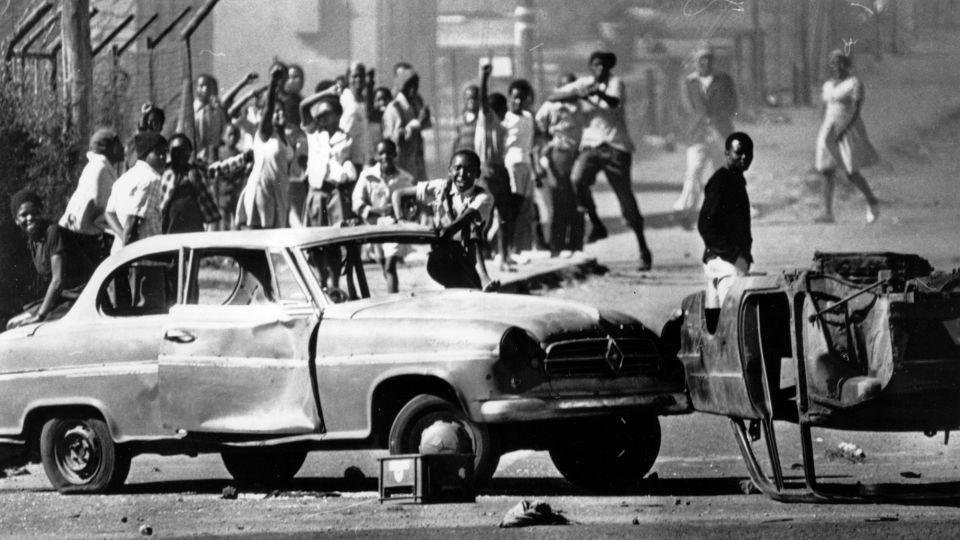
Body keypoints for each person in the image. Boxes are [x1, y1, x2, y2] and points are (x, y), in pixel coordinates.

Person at [548, 51, 653, 270]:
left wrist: (593, 94)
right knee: (577, 180)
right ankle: (596, 224)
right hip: (592, 145)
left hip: (616, 146)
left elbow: (613, 102)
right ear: (590, 67)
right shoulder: (584, 83)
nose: (600, 69)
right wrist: (578, 94)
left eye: (604, 65)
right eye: (596, 65)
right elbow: (553, 97)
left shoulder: (616, 83)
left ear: (610, 67)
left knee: (625, 197)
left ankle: (643, 249)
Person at [392, 150, 498, 291]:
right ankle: (483, 278)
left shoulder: (484, 197)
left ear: (477, 174)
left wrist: (447, 230)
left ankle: (483, 277)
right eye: (457, 168)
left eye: (468, 170)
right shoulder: (440, 187)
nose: (461, 174)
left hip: (468, 258)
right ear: (449, 171)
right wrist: (400, 220)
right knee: (466, 292)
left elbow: (466, 217)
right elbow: (398, 194)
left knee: (473, 226)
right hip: (441, 257)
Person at [7, 189, 94, 328]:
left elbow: (58, 280)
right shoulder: (33, 241)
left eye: (34, 212)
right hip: (65, 297)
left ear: (41, 211)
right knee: (13, 323)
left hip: (81, 297)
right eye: (24, 215)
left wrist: (39, 316)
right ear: (17, 220)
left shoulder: (53, 232)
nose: (29, 218)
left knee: (27, 327)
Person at [673, 46, 738, 229]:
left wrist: (718, 121)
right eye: (701, 59)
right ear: (695, 62)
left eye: (709, 58)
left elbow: (732, 105)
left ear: (713, 61)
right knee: (693, 171)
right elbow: (685, 108)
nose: (705, 62)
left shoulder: (724, 80)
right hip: (697, 133)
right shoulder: (688, 82)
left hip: (721, 131)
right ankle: (687, 211)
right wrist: (698, 123)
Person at [814, 50, 880, 224]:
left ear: (848, 65)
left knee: (850, 171)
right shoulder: (828, 85)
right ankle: (827, 212)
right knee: (826, 170)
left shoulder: (854, 83)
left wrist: (844, 130)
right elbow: (825, 108)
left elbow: (857, 110)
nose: (837, 67)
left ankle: (871, 199)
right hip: (829, 128)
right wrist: (824, 129)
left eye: (841, 63)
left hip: (848, 127)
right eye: (834, 63)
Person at [698, 132, 754, 332]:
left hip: (720, 261)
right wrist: (734, 257)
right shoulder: (722, 181)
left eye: (748, 154)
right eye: (739, 153)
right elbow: (705, 226)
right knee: (734, 326)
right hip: (725, 263)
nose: (744, 158)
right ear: (727, 153)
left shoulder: (734, 179)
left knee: (716, 326)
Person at [235, 64, 294, 229]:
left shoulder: (287, 140)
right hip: (262, 190)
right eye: (276, 112)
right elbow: (268, 109)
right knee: (259, 235)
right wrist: (274, 82)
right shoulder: (265, 134)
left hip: (279, 192)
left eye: (282, 111)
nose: (279, 114)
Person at [353, 139, 414, 293]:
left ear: (395, 154)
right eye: (381, 153)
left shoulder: (405, 179)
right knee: (383, 265)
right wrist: (376, 211)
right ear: (377, 156)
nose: (385, 157)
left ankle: (394, 301)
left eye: (389, 153)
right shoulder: (367, 176)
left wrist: (407, 213)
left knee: (390, 264)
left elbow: (412, 204)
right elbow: (357, 202)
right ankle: (393, 294)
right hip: (374, 227)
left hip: (394, 227)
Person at [535, 73, 584, 256]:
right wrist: (549, 141)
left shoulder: (581, 105)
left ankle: (575, 245)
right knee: (559, 200)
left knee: (577, 200)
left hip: (578, 154)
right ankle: (558, 246)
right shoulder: (551, 106)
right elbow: (539, 125)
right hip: (560, 153)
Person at [59, 127, 125, 264]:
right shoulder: (100, 170)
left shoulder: (98, 167)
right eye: (118, 143)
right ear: (108, 147)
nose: (122, 147)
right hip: (82, 239)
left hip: (82, 236)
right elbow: (98, 209)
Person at [475, 64, 517, 271]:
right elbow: (483, 103)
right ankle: (480, 254)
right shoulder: (487, 120)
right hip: (486, 171)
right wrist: (483, 77)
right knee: (487, 216)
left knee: (504, 215)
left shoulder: (501, 126)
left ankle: (503, 255)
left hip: (500, 171)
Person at [300, 88, 357, 227]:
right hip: (317, 194)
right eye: (318, 116)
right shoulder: (314, 135)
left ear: (338, 115)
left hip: (337, 194)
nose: (320, 118)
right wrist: (326, 93)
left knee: (338, 236)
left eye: (325, 114)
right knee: (316, 236)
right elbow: (303, 106)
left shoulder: (346, 139)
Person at [105, 131, 168, 252]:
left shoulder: (123, 179)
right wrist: (128, 242)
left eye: (165, 153)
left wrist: (122, 237)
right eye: (158, 153)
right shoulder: (152, 179)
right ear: (144, 154)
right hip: (144, 258)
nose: (163, 157)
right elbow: (133, 219)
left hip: (119, 254)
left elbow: (109, 214)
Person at [159, 134, 221, 234]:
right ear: (169, 153)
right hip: (171, 224)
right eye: (176, 151)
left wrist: (244, 158)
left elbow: (219, 169)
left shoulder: (196, 169)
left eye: (185, 150)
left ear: (190, 152)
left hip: (194, 222)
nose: (181, 154)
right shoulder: (164, 173)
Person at [502, 78, 537, 253]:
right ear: (509, 98)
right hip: (512, 165)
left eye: (521, 98)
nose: (517, 101)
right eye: (514, 97)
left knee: (525, 207)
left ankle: (522, 247)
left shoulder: (529, 117)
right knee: (513, 206)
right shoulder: (506, 119)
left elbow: (531, 145)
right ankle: (509, 247)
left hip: (526, 165)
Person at [382, 68, 431, 182]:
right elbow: (393, 139)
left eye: (415, 86)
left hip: (416, 162)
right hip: (401, 164)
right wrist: (417, 123)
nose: (413, 90)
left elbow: (426, 125)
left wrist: (424, 118)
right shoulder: (394, 109)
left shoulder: (415, 105)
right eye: (409, 86)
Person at [340, 62, 371, 171]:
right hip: (350, 163)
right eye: (354, 76)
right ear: (348, 78)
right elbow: (344, 135)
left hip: (363, 161)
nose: (358, 79)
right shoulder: (345, 101)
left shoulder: (362, 101)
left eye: (362, 76)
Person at [451, 84, 480, 156]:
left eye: (474, 98)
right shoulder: (459, 121)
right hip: (463, 158)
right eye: (469, 99)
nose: (472, 101)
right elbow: (455, 142)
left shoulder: (482, 120)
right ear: (465, 100)